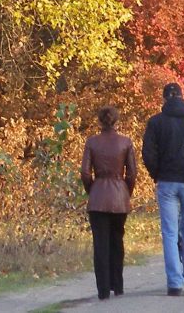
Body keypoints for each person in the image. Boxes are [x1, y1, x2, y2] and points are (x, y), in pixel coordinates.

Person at [141, 82, 184, 296]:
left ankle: (175, 283)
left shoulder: (155, 123)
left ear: (164, 99)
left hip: (167, 181)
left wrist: (156, 173)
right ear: (182, 96)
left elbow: (148, 153)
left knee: (169, 232)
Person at [80, 105, 136, 300]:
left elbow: (86, 173)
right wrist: (125, 192)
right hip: (119, 197)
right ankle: (118, 285)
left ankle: (103, 290)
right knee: (117, 241)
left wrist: (92, 190)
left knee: (100, 245)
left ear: (99, 121)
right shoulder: (125, 142)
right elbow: (132, 174)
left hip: (98, 198)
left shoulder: (92, 142)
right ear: (116, 121)